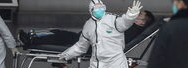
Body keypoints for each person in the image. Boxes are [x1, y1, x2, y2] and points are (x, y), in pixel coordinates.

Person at [19, 10, 154, 48]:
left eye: (139, 15)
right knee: (60, 34)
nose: (135, 15)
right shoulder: (131, 27)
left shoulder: (133, 29)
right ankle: (32, 39)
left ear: (142, 23)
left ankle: (31, 41)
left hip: (93, 45)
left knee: (60, 35)